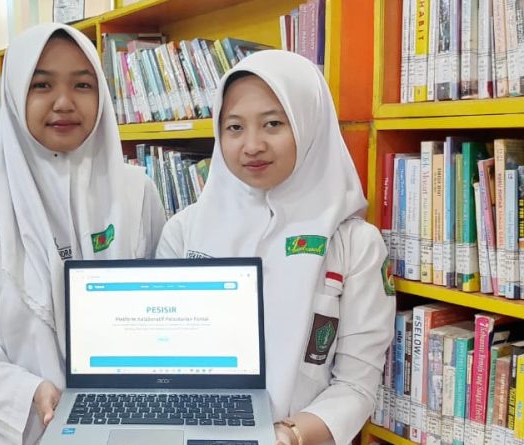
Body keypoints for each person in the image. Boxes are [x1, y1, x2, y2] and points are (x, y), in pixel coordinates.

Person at [0, 23, 165, 445]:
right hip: (30, 428)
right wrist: (26, 391)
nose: (64, 102)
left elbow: (164, 304)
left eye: (82, 84)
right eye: (42, 85)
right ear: (15, 95)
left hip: (132, 419)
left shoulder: (138, 193)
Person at [157, 50, 395, 445]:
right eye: (235, 127)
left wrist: (287, 436)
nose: (252, 145)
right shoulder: (183, 232)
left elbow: (356, 385)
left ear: (309, 123)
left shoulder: (355, 243)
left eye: (273, 124)